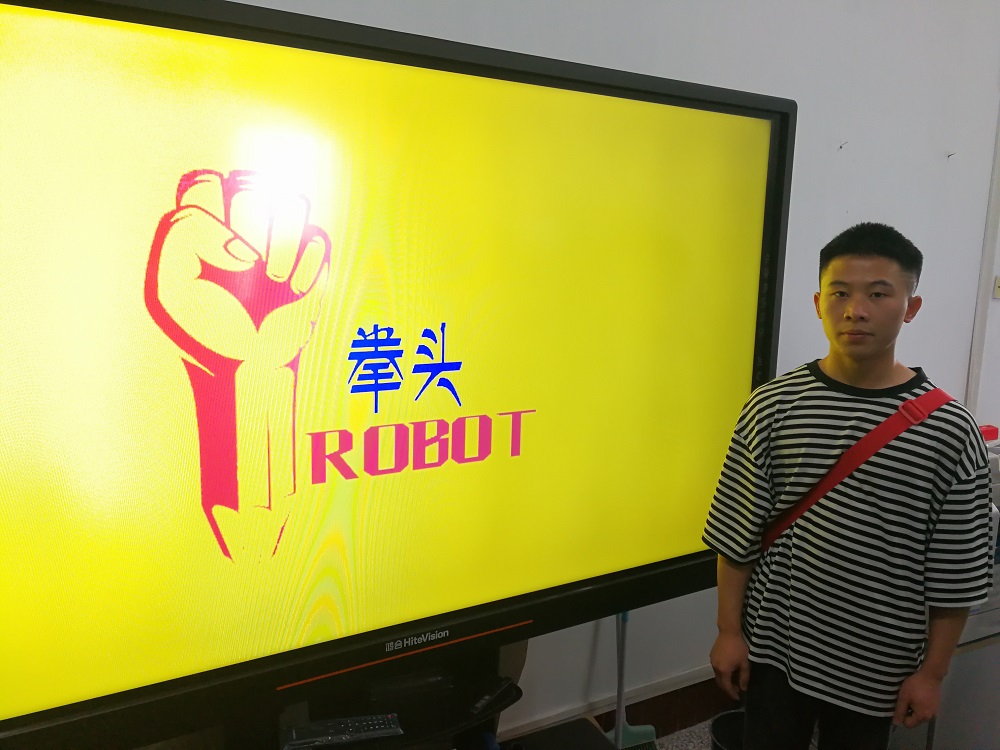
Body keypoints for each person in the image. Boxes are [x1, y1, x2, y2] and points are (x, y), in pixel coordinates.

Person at [702, 222, 995, 750]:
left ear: (911, 306)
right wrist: (728, 631)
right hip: (775, 647)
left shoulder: (949, 430)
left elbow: (955, 572)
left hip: (877, 663)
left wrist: (932, 673)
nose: (856, 310)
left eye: (878, 294)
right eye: (839, 293)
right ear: (819, 303)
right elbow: (735, 533)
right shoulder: (773, 406)